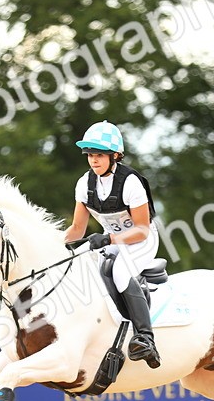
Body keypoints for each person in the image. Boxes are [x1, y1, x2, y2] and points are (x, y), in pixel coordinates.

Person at [63, 120, 161, 368]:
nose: (94, 160)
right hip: (114, 240)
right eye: (90, 155)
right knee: (80, 263)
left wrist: (108, 238)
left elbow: (141, 230)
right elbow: (77, 229)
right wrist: (53, 249)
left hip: (142, 240)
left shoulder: (130, 182)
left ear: (115, 155)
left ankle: (145, 338)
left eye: (99, 155)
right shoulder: (84, 184)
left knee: (119, 271)